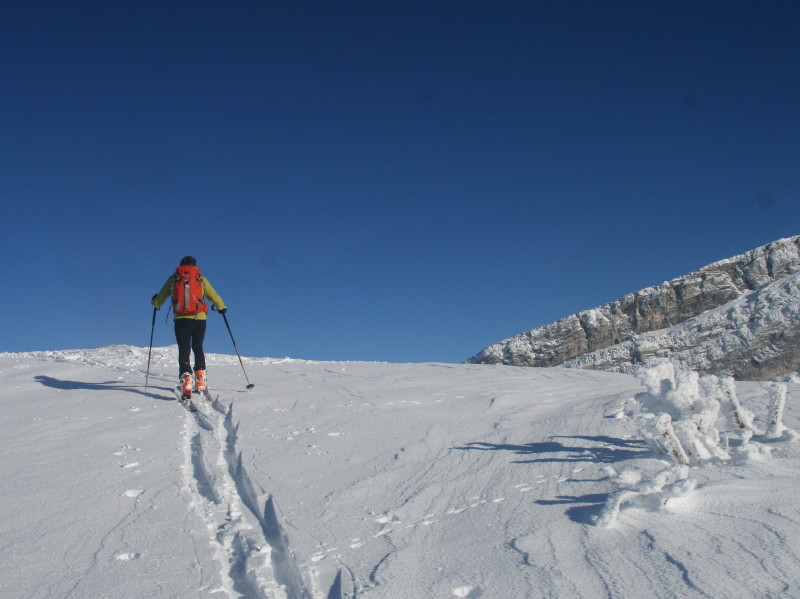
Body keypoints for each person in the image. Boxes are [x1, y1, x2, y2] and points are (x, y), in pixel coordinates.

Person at [151, 256, 226, 398]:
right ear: (195, 265)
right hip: (200, 318)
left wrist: (155, 302)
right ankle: (200, 379)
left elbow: (160, 298)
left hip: (181, 318)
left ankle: (186, 378)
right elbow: (213, 295)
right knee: (198, 346)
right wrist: (221, 307)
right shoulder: (200, 279)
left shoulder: (174, 278)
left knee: (184, 347)